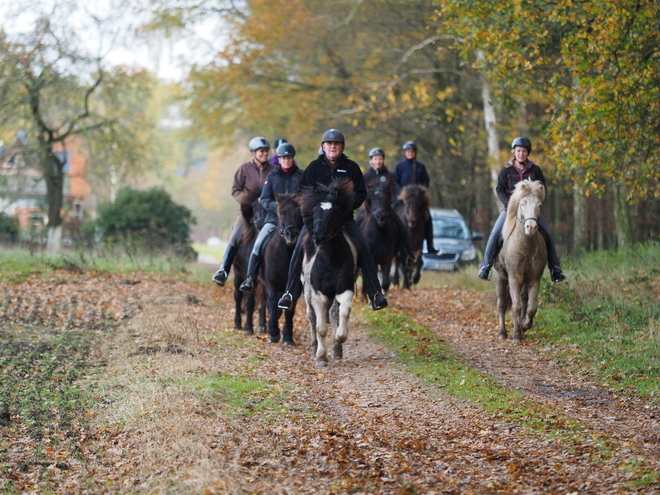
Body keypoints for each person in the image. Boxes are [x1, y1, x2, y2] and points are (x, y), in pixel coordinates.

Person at [277, 129, 388, 311]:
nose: (332, 146)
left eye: (336, 144)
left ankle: (375, 293)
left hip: (343, 219)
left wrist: (344, 205)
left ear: (342, 147)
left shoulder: (351, 168)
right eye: (329, 144)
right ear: (323, 147)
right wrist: (312, 222)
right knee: (298, 248)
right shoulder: (313, 168)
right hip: (316, 220)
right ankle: (289, 293)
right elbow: (303, 197)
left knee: (362, 246)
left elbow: (361, 193)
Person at [478, 136, 566, 283]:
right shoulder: (505, 170)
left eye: (524, 151)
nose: (521, 154)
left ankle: (555, 269)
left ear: (527, 153)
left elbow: (543, 190)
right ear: (514, 152)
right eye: (518, 151)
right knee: (494, 234)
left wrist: (536, 202)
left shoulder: (535, 170)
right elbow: (499, 189)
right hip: (510, 211)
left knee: (548, 234)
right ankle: (485, 266)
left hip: (531, 211)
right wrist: (511, 203)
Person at [239, 142, 304, 294]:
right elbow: (264, 199)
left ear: (292, 159)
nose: (286, 161)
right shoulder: (272, 176)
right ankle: (250, 278)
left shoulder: (301, 176)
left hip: (296, 222)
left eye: (289, 158)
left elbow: (307, 197)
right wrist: (278, 209)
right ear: (279, 159)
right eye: (283, 158)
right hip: (274, 220)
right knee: (258, 243)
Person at [212, 137, 275, 286]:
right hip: (248, 211)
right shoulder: (244, 169)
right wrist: (246, 201)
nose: (264, 154)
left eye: (266, 151)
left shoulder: (273, 170)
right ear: (253, 153)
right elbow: (235, 190)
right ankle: (223, 270)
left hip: (269, 212)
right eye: (261, 151)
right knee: (235, 235)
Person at [362, 147, 416, 270]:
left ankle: (409, 257)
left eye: (380, 159)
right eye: (375, 159)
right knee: (356, 225)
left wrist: (389, 202)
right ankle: (355, 259)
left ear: (383, 160)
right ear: (371, 161)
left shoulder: (389, 176)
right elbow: (361, 193)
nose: (378, 161)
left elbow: (394, 193)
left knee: (401, 228)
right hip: (369, 209)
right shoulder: (366, 176)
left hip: (385, 209)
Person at [392, 141, 438, 254]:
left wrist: (422, 190)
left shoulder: (421, 167)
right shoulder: (399, 166)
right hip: (403, 199)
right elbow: (395, 181)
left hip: (417, 200)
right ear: (404, 153)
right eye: (408, 151)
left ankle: (430, 244)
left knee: (428, 217)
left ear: (415, 153)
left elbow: (426, 182)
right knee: (391, 214)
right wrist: (401, 193)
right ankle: (390, 243)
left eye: (412, 151)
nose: (410, 153)